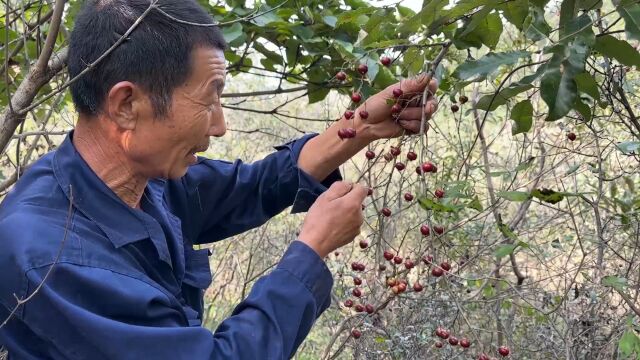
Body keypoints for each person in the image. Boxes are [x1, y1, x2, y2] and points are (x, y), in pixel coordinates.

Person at [0, 0, 438, 359]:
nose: (219, 126)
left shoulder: (143, 178)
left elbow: (249, 187)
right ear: (126, 105)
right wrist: (309, 251)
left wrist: (361, 127)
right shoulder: (49, 259)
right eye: (209, 98)